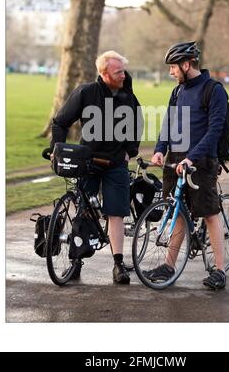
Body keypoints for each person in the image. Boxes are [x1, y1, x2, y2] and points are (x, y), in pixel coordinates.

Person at [50, 51, 143, 284]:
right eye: (118, 71)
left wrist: (129, 151)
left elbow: (137, 124)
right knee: (82, 210)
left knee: (116, 213)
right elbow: (60, 122)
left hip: (115, 164)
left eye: (124, 70)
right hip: (88, 162)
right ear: (104, 73)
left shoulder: (128, 96)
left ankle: (118, 265)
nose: (124, 75)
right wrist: (56, 149)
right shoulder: (86, 92)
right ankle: (76, 261)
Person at [149, 41, 228, 290]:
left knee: (209, 213)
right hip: (176, 159)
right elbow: (168, 122)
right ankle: (169, 266)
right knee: (177, 211)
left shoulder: (213, 90)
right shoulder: (177, 91)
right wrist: (161, 149)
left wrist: (192, 158)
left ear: (186, 64)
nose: (171, 72)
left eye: (173, 67)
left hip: (201, 161)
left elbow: (215, 130)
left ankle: (219, 269)